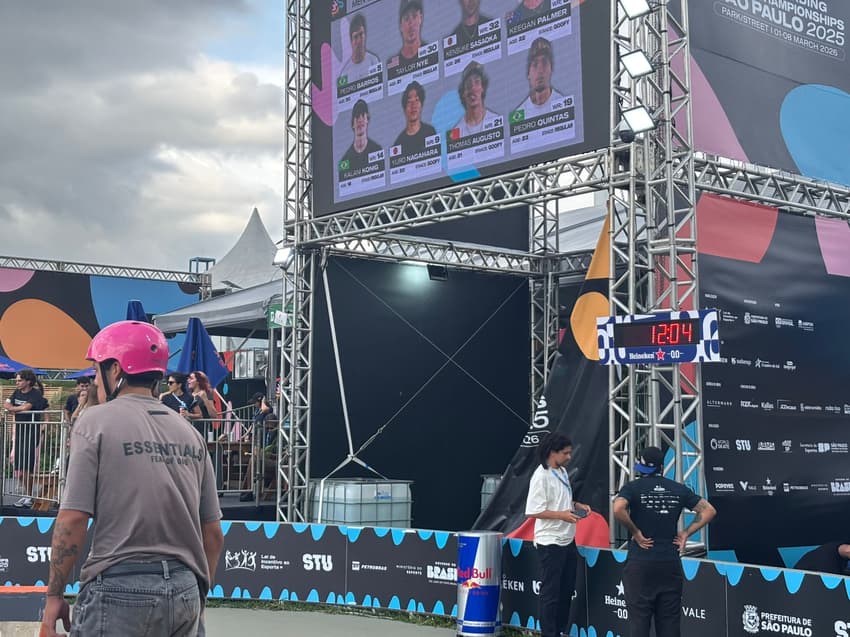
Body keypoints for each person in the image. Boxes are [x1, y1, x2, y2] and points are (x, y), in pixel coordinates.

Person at [40, 320, 223, 637]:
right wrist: (196, 593)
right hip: (185, 587)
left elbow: (72, 519)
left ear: (115, 370)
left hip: (118, 586)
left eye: (97, 371)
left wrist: (54, 594)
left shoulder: (94, 422)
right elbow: (213, 533)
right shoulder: (190, 434)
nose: (95, 381)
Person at [613, 446, 717, 637]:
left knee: (639, 623)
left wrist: (635, 532)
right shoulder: (677, 489)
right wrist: (686, 532)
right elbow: (709, 510)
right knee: (669, 623)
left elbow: (618, 508)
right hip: (669, 562)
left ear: (641, 468)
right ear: (662, 468)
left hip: (640, 563)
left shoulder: (632, 487)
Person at [524, 432, 591, 637]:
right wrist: (561, 515)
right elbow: (533, 510)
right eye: (566, 453)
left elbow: (561, 499)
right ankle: (549, 633)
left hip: (567, 539)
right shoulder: (540, 476)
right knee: (550, 593)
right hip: (549, 542)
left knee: (566, 588)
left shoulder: (561, 471)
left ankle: (561, 630)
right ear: (553, 453)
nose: (569, 457)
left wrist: (575, 505)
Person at [4, 368, 45, 508]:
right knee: (19, 468)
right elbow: (6, 403)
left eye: (20, 380)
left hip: (31, 433)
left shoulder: (36, 393)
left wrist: (13, 409)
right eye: (16, 380)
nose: (17, 383)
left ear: (28, 381)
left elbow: (27, 407)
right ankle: (27, 494)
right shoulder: (16, 392)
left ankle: (29, 496)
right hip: (20, 432)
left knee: (27, 467)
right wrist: (14, 408)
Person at [515, 37, 565, 119]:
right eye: (535, 64)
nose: (540, 71)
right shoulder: (519, 114)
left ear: (551, 69)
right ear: (528, 73)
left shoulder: (563, 104)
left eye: (544, 63)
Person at [454, 61, 501, 137]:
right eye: (469, 84)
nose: (473, 88)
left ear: (483, 88)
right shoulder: (456, 131)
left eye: (477, 82)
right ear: (463, 93)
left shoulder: (496, 120)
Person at [393, 81, 437, 155]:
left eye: (417, 100)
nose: (413, 106)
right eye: (409, 101)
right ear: (404, 108)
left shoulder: (430, 132)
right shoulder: (399, 143)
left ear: (421, 105)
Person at [341, 99, 382, 171]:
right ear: (353, 124)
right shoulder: (346, 159)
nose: (360, 120)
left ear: (367, 120)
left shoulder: (377, 150)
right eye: (357, 116)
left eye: (363, 115)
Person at [338, 13, 380, 83]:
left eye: (361, 34)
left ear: (365, 35)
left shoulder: (373, 61)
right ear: (351, 41)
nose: (359, 40)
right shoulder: (344, 74)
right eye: (355, 36)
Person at [186, 370, 217, 438]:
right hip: (189, 428)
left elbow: (214, 415)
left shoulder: (207, 394)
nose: (188, 381)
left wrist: (205, 399)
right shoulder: (188, 395)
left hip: (202, 429)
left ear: (198, 381)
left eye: (191, 378)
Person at [397, 0, 426, 66]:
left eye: (414, 16)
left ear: (420, 18)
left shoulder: (432, 55)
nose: (411, 24)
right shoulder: (393, 65)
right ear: (401, 25)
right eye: (406, 18)